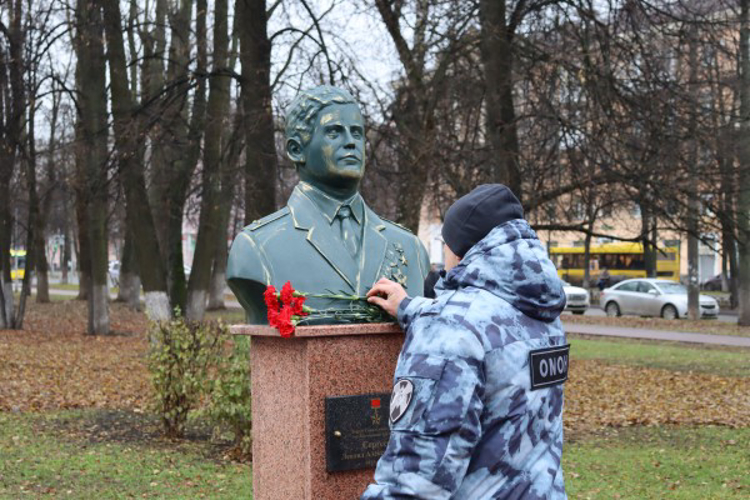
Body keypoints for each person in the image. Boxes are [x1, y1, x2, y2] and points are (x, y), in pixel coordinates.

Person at [362, 184, 569, 499]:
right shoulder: (544, 314)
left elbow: (417, 477)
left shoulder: (451, 325)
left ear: (460, 249)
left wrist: (435, 320)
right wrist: (409, 307)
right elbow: (492, 331)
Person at [226, 86, 429, 323]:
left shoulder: (409, 246)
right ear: (296, 150)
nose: (351, 143)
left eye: (357, 133)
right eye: (334, 133)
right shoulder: (255, 247)